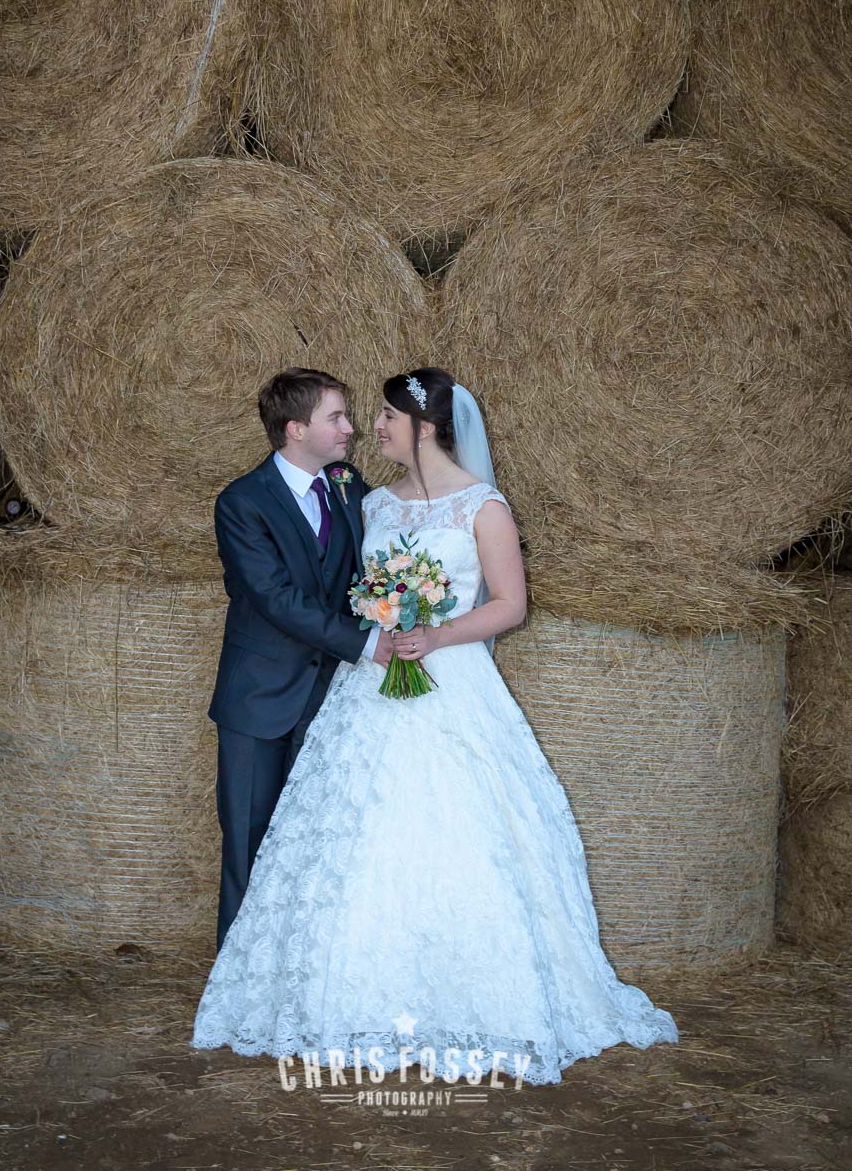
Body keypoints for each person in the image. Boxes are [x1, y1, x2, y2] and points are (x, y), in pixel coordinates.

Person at [192, 367, 678, 1084]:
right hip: (364, 684)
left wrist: (433, 637)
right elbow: (316, 591)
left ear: (423, 427)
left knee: (451, 830)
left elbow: (508, 605)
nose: (367, 428)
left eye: (383, 416)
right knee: (334, 836)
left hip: (447, 682)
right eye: (350, 417)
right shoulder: (372, 501)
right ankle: (295, 987)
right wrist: (379, 634)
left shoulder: (480, 507)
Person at [207, 367, 394, 952]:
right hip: (259, 700)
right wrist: (367, 645)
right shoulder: (241, 502)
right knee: (248, 839)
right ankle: (236, 982)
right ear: (295, 429)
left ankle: (297, 973)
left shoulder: (347, 485)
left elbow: (363, 575)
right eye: (336, 418)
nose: (351, 428)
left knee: (313, 844)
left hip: (332, 698)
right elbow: (273, 598)